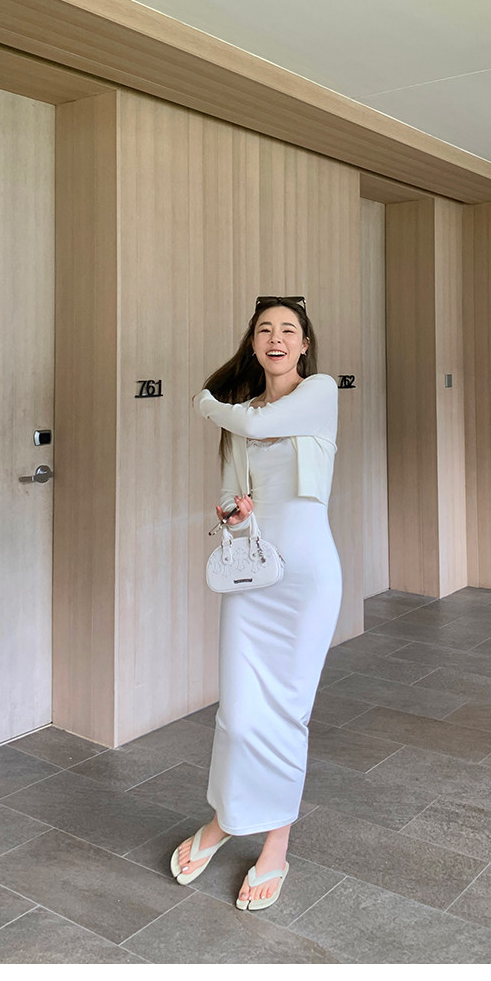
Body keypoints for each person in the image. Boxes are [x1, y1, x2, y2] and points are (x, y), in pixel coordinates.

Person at [170, 295, 342, 911]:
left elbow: (258, 425)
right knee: (240, 714)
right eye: (265, 329)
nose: (276, 338)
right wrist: (234, 514)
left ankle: (276, 844)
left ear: (303, 344)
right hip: (255, 576)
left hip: (308, 579)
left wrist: (204, 402)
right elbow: (230, 499)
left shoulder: (319, 391)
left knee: (287, 714)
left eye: (288, 330)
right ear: (252, 343)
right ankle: (226, 820)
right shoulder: (240, 419)